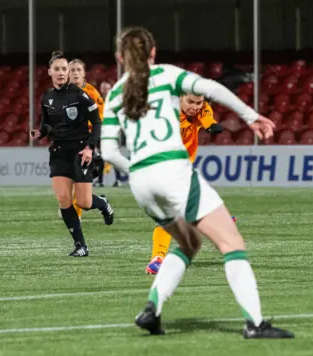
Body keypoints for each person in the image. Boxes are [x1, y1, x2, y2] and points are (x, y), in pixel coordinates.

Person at [101, 27, 293, 339]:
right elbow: (210, 88)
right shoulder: (164, 74)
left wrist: (137, 169)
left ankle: (152, 309)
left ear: (119, 58)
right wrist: (250, 116)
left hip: (140, 182)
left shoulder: (114, 95)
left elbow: (108, 151)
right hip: (173, 170)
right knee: (232, 243)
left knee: (190, 243)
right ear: (153, 52)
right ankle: (256, 324)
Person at [30, 50, 114, 257]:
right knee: (63, 199)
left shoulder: (80, 94)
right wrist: (40, 132)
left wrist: (89, 147)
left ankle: (102, 203)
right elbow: (47, 124)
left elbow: (97, 123)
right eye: (57, 69)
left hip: (80, 151)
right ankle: (80, 245)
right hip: (59, 151)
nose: (61, 72)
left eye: (64, 69)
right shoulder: (47, 97)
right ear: (49, 71)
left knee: (84, 203)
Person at [145, 93, 226, 275]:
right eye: (190, 102)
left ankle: (158, 258)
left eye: (198, 103)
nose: (195, 107)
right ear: (179, 99)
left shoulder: (200, 109)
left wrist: (210, 125)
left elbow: (205, 114)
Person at [66, 58, 108, 217]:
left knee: (77, 194)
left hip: (85, 146)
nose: (75, 73)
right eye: (72, 70)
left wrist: (92, 145)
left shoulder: (92, 93)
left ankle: (77, 234)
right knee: (70, 193)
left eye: (78, 70)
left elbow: (100, 121)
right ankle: (101, 203)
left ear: (84, 74)